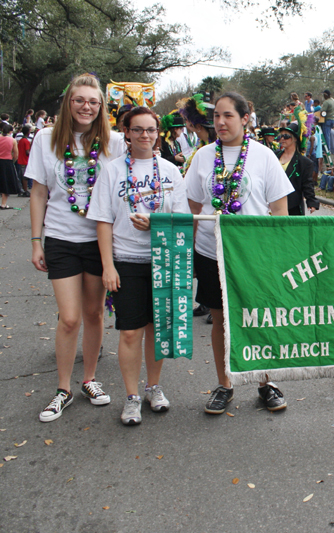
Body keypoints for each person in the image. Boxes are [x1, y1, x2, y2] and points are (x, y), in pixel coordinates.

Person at [185, 92, 294, 415]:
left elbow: (279, 211)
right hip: (210, 252)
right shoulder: (203, 157)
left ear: (245, 118)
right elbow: (192, 207)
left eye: (228, 115)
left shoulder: (264, 157)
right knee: (219, 319)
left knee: (258, 318)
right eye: (216, 115)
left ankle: (265, 382)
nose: (220, 122)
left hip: (254, 255)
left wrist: (277, 256)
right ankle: (225, 383)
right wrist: (188, 255)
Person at [27, 73, 127, 422]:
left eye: (93, 101)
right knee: (69, 318)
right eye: (80, 100)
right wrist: (36, 240)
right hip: (60, 238)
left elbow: (123, 190)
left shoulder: (115, 142)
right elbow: (39, 192)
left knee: (95, 313)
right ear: (69, 103)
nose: (86, 106)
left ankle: (89, 379)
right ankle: (63, 388)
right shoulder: (45, 139)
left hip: (99, 241)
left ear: (101, 107)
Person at [89, 106, 190, 424]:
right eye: (138, 130)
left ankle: (153, 387)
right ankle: (132, 396)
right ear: (127, 133)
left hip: (163, 260)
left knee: (157, 330)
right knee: (131, 332)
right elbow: (103, 220)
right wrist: (108, 266)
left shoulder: (171, 170)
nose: (145, 135)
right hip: (126, 261)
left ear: (157, 133)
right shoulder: (112, 170)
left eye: (150, 130)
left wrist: (157, 223)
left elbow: (183, 218)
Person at [277, 122, 320, 215]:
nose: (282, 139)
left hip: (292, 206)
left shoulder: (304, 162)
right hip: (273, 205)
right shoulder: (274, 156)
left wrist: (311, 201)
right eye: (281, 136)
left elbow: (307, 183)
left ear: (295, 138)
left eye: (286, 136)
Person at [0, 123, 19, 208]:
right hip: (7, 162)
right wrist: (13, 161)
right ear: (11, 131)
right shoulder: (13, 140)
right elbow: (16, 154)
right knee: (6, 183)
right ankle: (3, 204)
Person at [16, 125, 32, 197]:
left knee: (21, 176)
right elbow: (27, 152)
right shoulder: (26, 141)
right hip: (25, 160)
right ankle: (25, 190)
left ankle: (22, 189)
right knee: (25, 177)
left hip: (20, 159)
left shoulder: (21, 140)